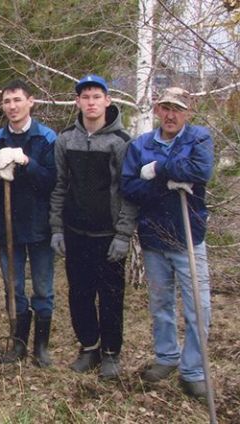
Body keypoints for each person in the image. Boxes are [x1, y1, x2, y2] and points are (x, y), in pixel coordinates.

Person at [121, 87, 214, 398]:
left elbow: (201, 170)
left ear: (187, 112)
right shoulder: (141, 145)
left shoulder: (197, 138)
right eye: (166, 108)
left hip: (189, 237)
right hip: (153, 237)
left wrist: (159, 169)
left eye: (178, 109)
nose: (171, 115)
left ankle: (193, 370)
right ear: (158, 110)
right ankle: (167, 357)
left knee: (198, 308)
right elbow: (130, 186)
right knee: (161, 304)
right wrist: (168, 182)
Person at [49, 75, 137, 379]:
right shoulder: (65, 140)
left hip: (108, 235)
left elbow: (129, 193)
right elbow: (59, 186)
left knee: (111, 295)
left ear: (107, 101)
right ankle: (89, 347)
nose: (91, 102)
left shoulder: (121, 142)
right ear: (77, 102)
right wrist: (57, 228)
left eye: (96, 96)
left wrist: (123, 235)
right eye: (85, 97)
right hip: (76, 233)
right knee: (79, 293)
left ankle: (111, 353)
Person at [0, 80, 57, 367]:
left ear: (31, 102)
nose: (12, 106)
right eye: (7, 101)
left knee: (42, 288)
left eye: (17, 100)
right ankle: (18, 343)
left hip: (40, 226)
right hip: (8, 227)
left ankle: (41, 347)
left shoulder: (47, 138)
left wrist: (27, 163)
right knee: (13, 287)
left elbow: (52, 181)